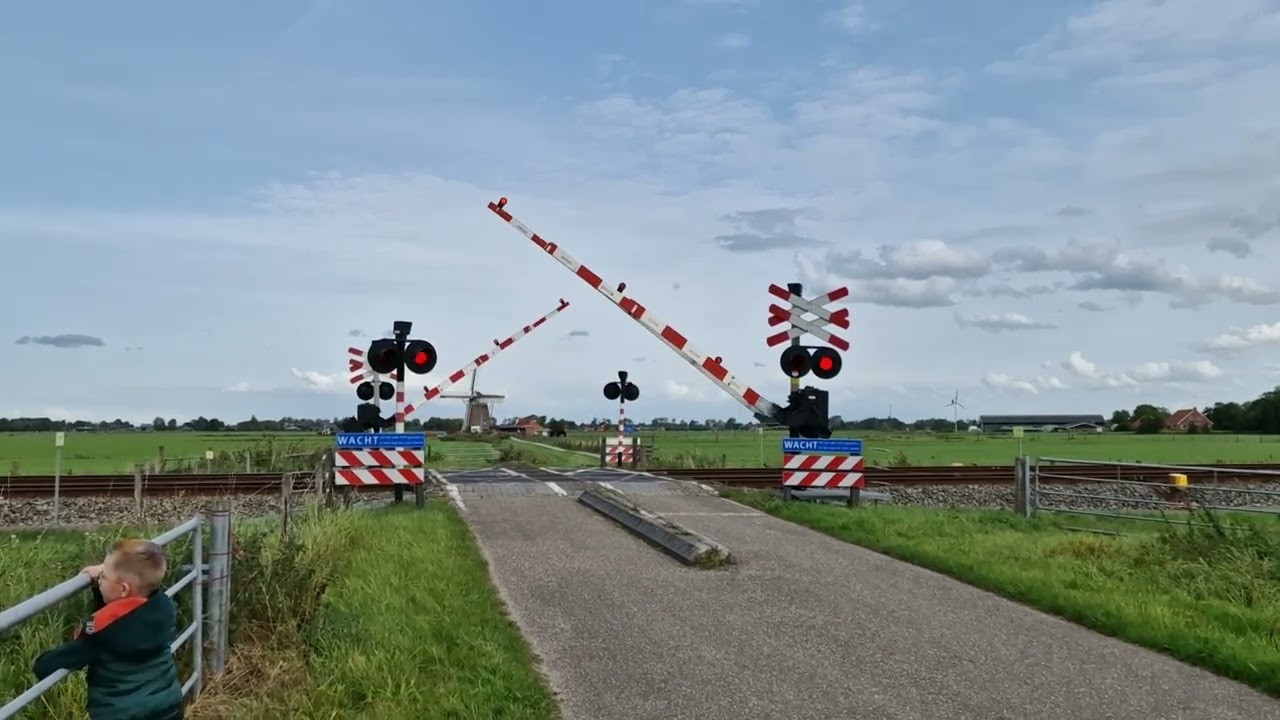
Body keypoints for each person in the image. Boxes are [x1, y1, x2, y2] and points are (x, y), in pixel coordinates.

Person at [33, 538, 184, 720]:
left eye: (103, 576)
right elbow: (120, 613)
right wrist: (103, 582)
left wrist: (40, 661)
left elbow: (46, 666)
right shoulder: (165, 607)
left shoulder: (100, 635)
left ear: (123, 589)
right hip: (168, 709)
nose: (100, 579)